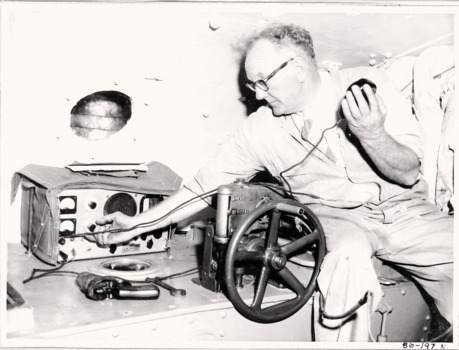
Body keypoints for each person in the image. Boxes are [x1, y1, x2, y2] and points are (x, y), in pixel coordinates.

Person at [93, 23, 453, 342]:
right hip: (338, 220)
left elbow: (408, 172)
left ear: (297, 68)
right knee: (346, 259)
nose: (258, 94)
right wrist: (136, 225)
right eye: (252, 84)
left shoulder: (367, 86)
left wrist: (372, 133)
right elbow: (200, 189)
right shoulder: (260, 131)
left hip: (405, 209)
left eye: (264, 81)